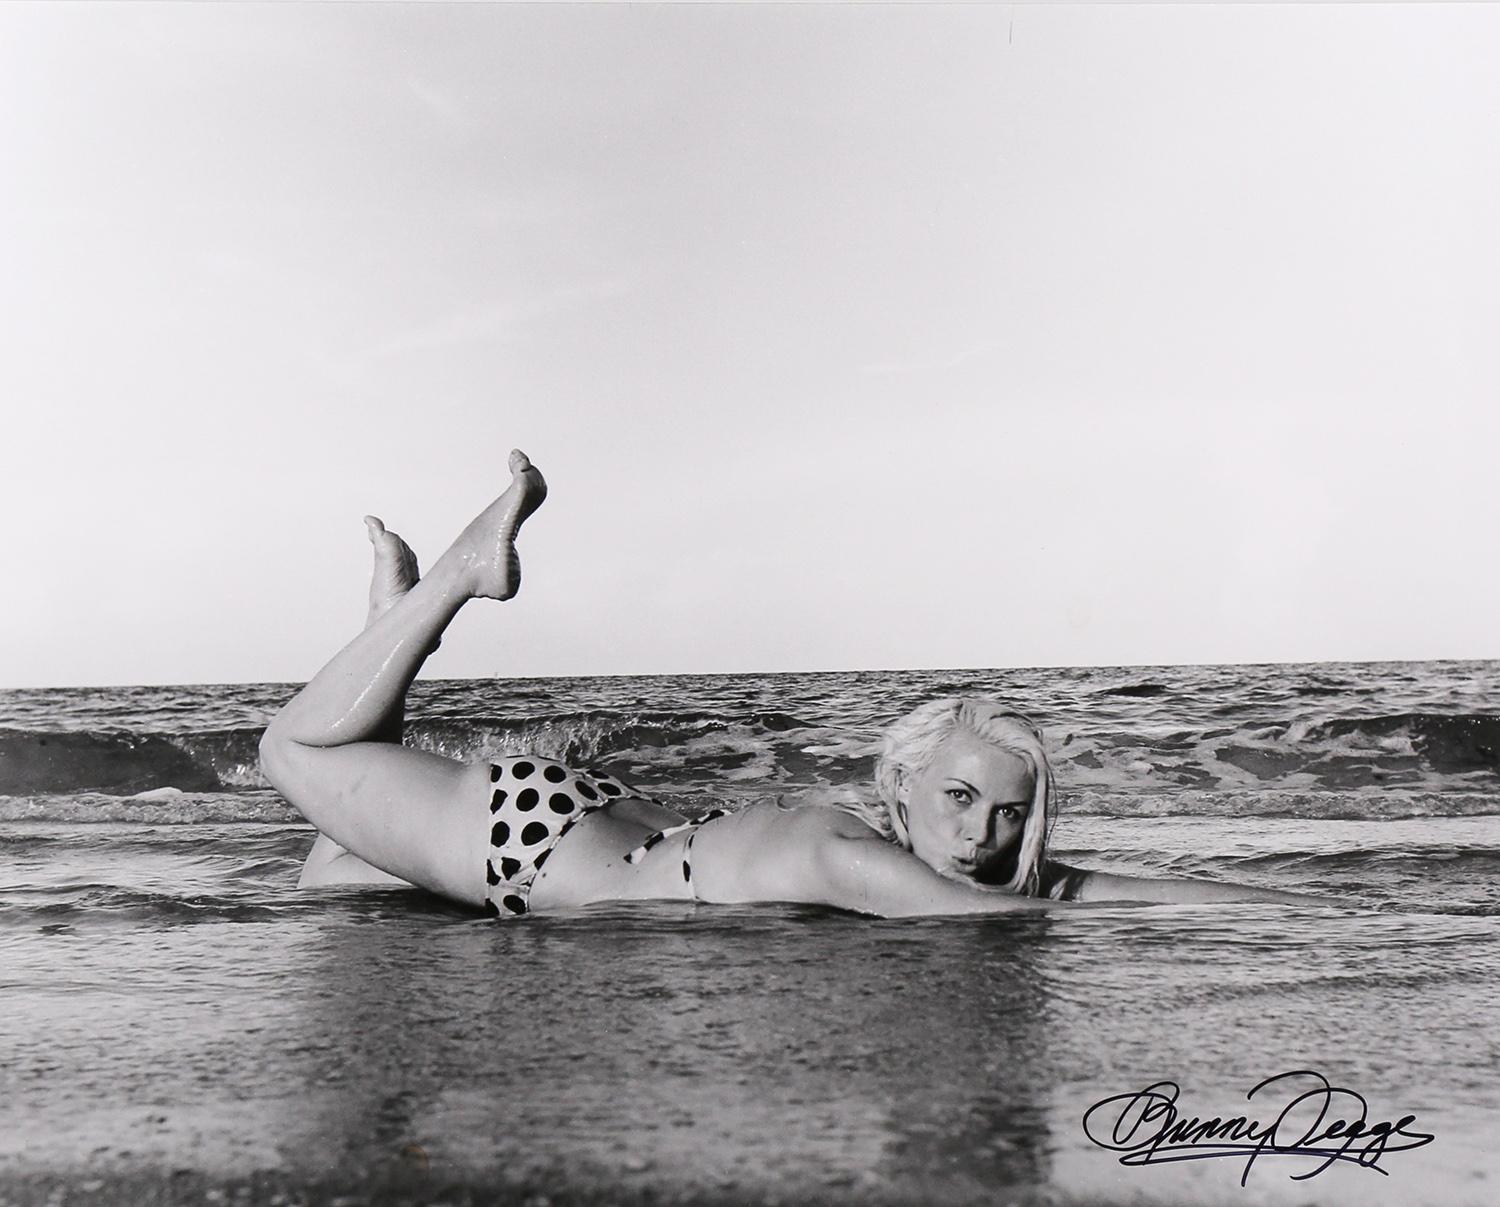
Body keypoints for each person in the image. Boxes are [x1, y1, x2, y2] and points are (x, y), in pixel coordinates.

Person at [259, 451, 1321, 918]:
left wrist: (1297, 907)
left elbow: (1071, 889)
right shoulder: (843, 854)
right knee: (292, 753)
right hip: (535, 851)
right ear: (898, 786)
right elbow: (1016, 917)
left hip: (586, 825)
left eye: (1007, 813)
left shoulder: (895, 850)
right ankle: (454, 577)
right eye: (959, 798)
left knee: (331, 881)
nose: (984, 835)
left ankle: (381, 634)